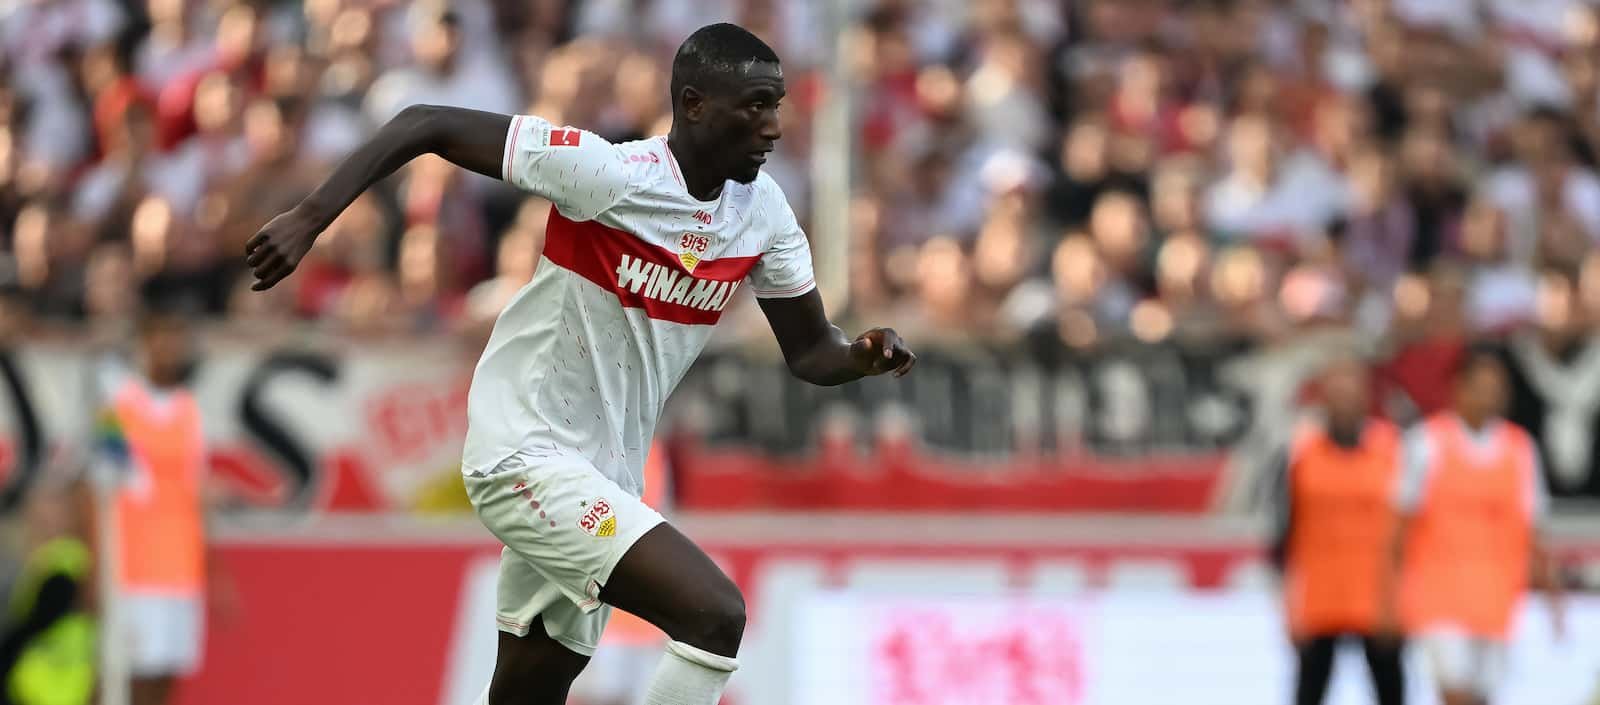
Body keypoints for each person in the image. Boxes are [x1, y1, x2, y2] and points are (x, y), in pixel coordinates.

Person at [244, 22, 917, 705]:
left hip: (605, 479)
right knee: (715, 615)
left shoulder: (764, 213)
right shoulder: (609, 174)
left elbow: (809, 351)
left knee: (529, 692)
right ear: (693, 105)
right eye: (755, 105)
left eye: (776, 105)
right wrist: (309, 217)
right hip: (526, 454)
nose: (773, 126)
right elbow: (426, 121)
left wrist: (859, 356)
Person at [1395, 348, 1566, 705]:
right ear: (1459, 388)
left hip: (1496, 598)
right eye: (1481, 387)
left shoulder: (1520, 449)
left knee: (1484, 694)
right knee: (1454, 691)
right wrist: (1390, 593)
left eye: (1496, 388)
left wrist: (1553, 595)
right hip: (1439, 596)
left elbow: (1533, 527)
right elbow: (1398, 525)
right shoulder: (1426, 442)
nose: (1489, 397)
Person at [96, 310, 217, 705]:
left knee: (167, 674)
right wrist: (97, 569)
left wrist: (213, 569)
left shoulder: (189, 410)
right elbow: (99, 490)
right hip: (132, 572)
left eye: (176, 341)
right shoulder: (117, 406)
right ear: (143, 344)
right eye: (160, 339)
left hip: (181, 569)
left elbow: (198, 492)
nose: (169, 349)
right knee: (126, 675)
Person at [1272, 357, 1405, 705]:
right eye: (1337, 394)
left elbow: (1408, 530)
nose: (1345, 403)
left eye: (1352, 393)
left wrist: (1400, 598)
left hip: (1377, 595)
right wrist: (1287, 603)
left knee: (1390, 689)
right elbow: (1283, 533)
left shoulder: (1393, 449)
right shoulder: (1300, 452)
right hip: (1320, 596)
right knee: (1309, 690)